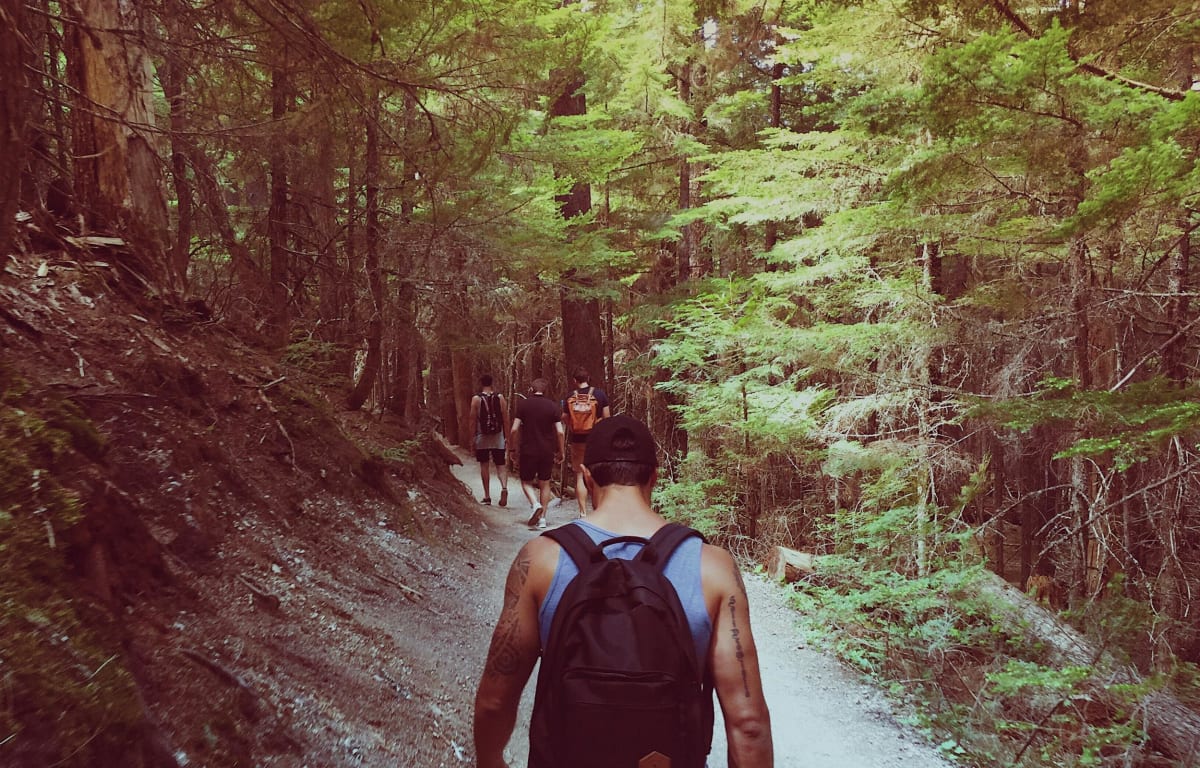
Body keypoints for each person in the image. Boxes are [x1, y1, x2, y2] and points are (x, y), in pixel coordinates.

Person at [473, 415, 774, 768]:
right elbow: (748, 724)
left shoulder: (540, 560)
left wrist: (491, 761)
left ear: (587, 477)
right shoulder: (713, 566)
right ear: (654, 477)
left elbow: (495, 700)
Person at [507, 378, 564, 529]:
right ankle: (543, 519)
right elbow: (560, 432)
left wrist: (512, 448)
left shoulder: (523, 405)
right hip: (547, 450)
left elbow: (514, 429)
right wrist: (561, 451)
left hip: (528, 449)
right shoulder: (552, 406)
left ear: (531, 390)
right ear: (546, 391)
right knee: (545, 483)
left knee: (526, 481)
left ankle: (535, 504)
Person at [560, 366, 610, 515]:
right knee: (596, 474)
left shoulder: (570, 396)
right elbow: (607, 417)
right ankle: (598, 510)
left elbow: (563, 417)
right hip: (596, 439)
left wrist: (573, 426)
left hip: (577, 440)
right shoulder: (599, 395)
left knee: (579, 474)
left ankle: (582, 513)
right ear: (588, 379)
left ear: (575, 381)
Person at [469, 375, 511, 506]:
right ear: (492, 383)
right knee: (501, 465)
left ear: (481, 383)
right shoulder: (500, 397)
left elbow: (472, 420)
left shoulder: (476, 399)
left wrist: (472, 438)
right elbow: (505, 418)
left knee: (484, 465)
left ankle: (487, 496)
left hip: (483, 436)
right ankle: (504, 487)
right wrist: (507, 436)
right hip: (498, 436)